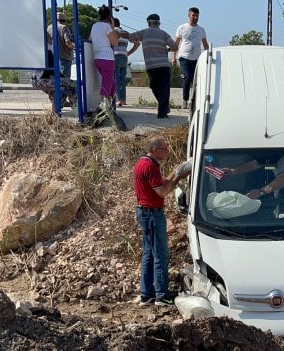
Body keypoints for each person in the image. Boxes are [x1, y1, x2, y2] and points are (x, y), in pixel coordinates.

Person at [134, 136, 190, 307]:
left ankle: (147, 294)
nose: (167, 152)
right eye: (165, 149)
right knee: (160, 255)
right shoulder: (151, 167)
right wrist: (179, 177)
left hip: (145, 213)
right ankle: (162, 296)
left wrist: (175, 172)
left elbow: (161, 184)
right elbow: (163, 192)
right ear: (155, 150)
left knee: (149, 254)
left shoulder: (143, 163)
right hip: (152, 214)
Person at [122, 14, 176, 118]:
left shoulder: (143, 33)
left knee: (154, 86)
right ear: (159, 22)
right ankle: (164, 109)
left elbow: (130, 36)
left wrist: (119, 32)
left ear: (148, 22)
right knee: (164, 88)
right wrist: (167, 50)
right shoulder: (164, 34)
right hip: (164, 66)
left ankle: (162, 112)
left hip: (151, 66)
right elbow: (174, 46)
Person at [173, 7, 209, 109]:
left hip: (196, 58)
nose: (195, 17)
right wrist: (173, 57)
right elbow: (176, 43)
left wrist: (209, 56)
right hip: (184, 57)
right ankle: (185, 100)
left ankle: (193, 102)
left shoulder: (201, 30)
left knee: (195, 81)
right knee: (187, 77)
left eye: (197, 16)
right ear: (189, 15)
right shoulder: (182, 28)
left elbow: (205, 45)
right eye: (193, 15)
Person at [89, 5, 118, 109]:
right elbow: (115, 43)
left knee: (111, 83)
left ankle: (109, 105)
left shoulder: (94, 26)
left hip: (97, 58)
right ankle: (104, 106)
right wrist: (112, 27)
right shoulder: (107, 27)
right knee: (107, 83)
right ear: (109, 17)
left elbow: (90, 39)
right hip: (107, 58)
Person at [113, 18, 139, 107]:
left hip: (115, 56)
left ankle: (118, 100)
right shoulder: (125, 33)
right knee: (122, 80)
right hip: (124, 57)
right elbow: (137, 43)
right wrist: (129, 52)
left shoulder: (112, 32)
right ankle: (123, 100)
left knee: (115, 79)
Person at [47, 12, 75, 79]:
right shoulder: (64, 27)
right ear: (64, 20)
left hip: (53, 57)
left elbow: (49, 42)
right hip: (65, 57)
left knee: (55, 79)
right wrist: (73, 46)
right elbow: (68, 42)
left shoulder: (49, 27)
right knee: (64, 80)